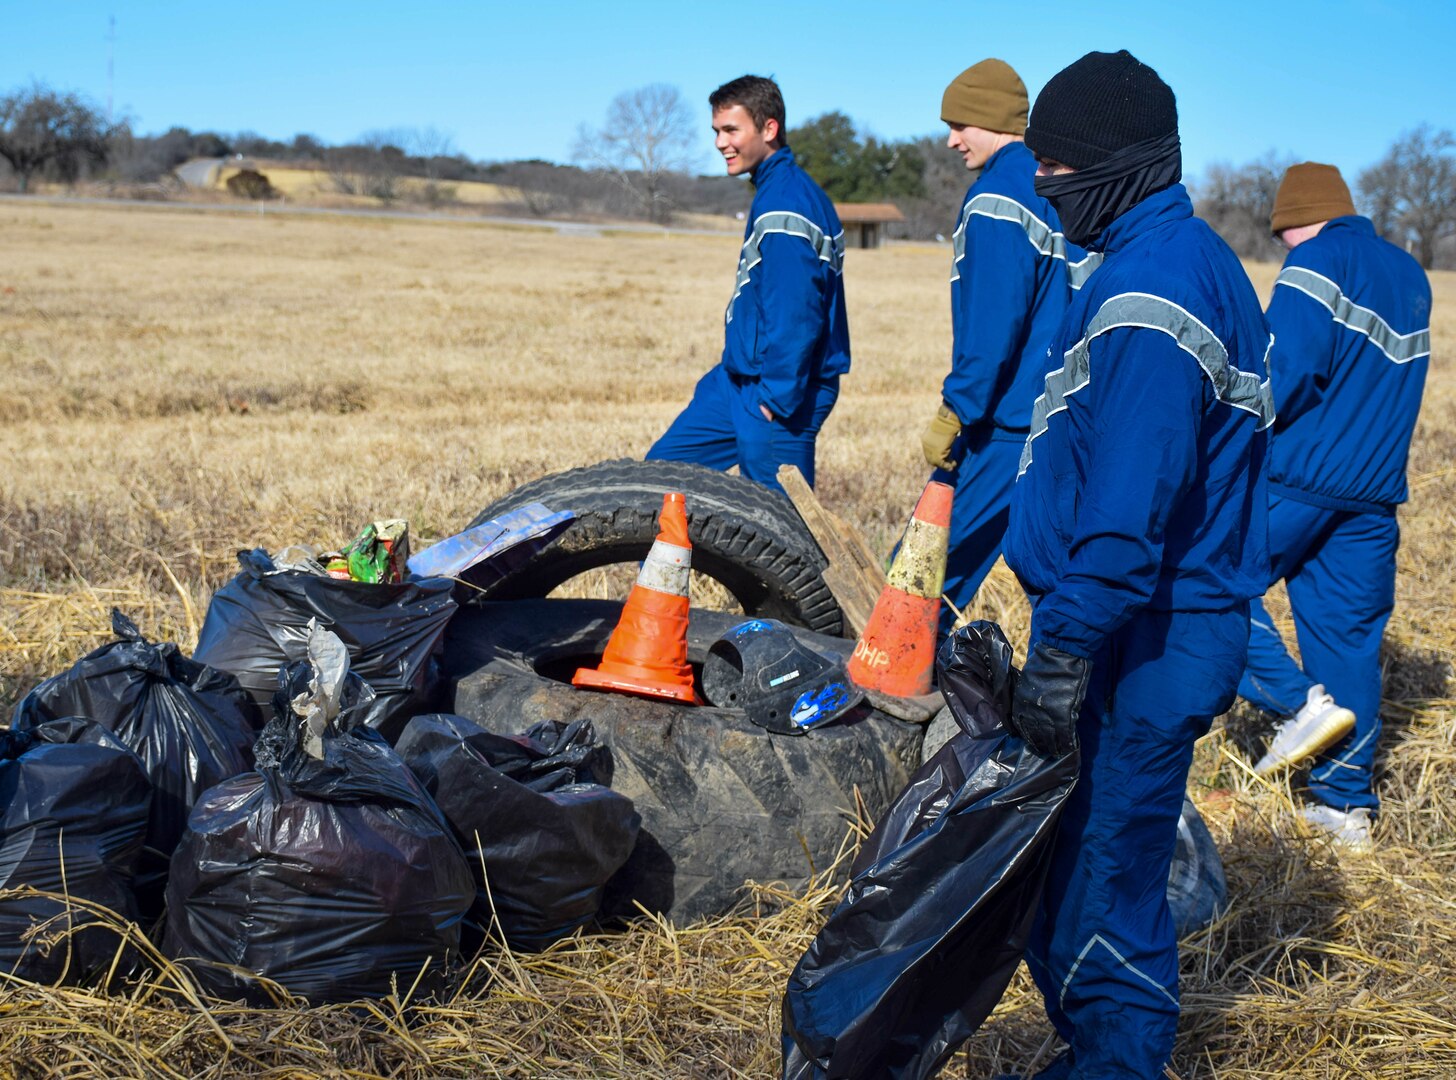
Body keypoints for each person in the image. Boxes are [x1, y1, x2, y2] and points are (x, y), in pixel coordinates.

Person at [998, 51, 1274, 1079]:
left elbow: (1127, 515)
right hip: (1137, 630)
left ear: (1119, 163)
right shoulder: (1166, 259)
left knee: (1103, 891)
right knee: (1082, 873)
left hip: (1137, 639)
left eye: (1059, 162)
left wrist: (1062, 651)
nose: (1043, 181)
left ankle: (1113, 1063)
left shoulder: (1153, 291)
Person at [1236, 163, 1431, 851]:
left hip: (1297, 477)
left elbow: (1283, 370)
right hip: (1373, 496)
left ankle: (1296, 706)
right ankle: (1346, 808)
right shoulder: (1411, 275)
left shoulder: (1316, 260)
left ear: (1294, 221)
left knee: (1199, 584)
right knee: (1348, 640)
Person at [919, 59, 1098, 626]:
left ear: (994, 121)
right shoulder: (1063, 192)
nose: (951, 140)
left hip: (1003, 427)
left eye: (960, 124)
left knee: (920, 578)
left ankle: (887, 701)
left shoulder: (997, 197)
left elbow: (992, 327)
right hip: (1063, 420)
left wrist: (957, 408)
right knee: (1058, 580)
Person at [646, 75, 849, 493]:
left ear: (768, 129)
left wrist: (774, 399)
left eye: (731, 130)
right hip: (737, 382)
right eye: (717, 132)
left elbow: (797, 315)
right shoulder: (773, 190)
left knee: (779, 533)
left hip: (778, 393)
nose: (721, 143)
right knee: (657, 479)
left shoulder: (786, 202)